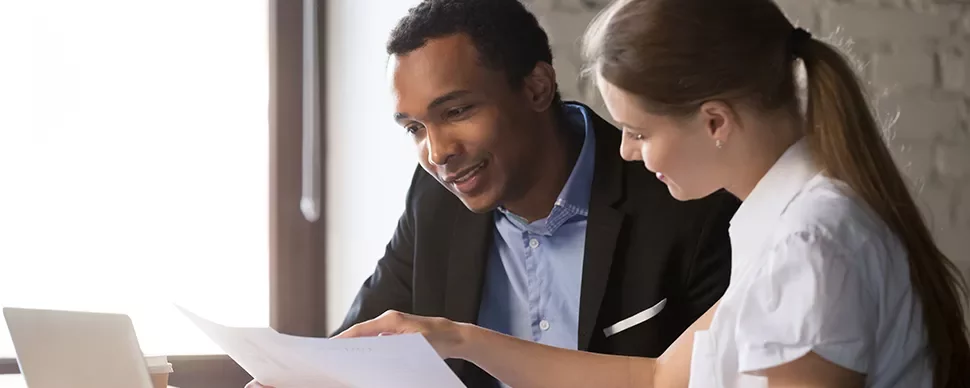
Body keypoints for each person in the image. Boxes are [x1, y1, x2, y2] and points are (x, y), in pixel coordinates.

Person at [335, 0, 970, 387]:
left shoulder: (810, 245)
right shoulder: (784, 226)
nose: (626, 152)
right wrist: (458, 339)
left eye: (638, 132)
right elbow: (659, 378)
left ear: (715, 122)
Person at [247, 0, 738, 387]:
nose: (437, 152)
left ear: (537, 88)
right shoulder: (434, 200)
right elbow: (360, 347)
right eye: (415, 128)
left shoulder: (686, 197)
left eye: (457, 111)